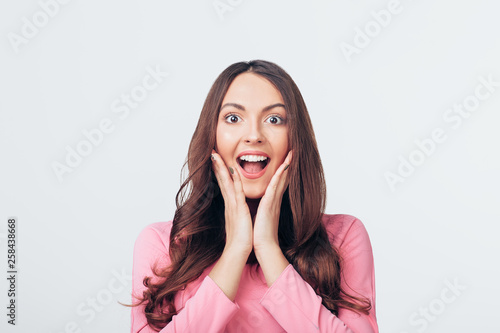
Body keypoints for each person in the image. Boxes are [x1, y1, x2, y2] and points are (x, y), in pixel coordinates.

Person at [127, 60, 379, 332]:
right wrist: (236, 249)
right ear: (211, 138)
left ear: (295, 140)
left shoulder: (343, 236)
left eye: (274, 119)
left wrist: (268, 249)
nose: (254, 135)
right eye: (233, 118)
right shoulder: (162, 244)